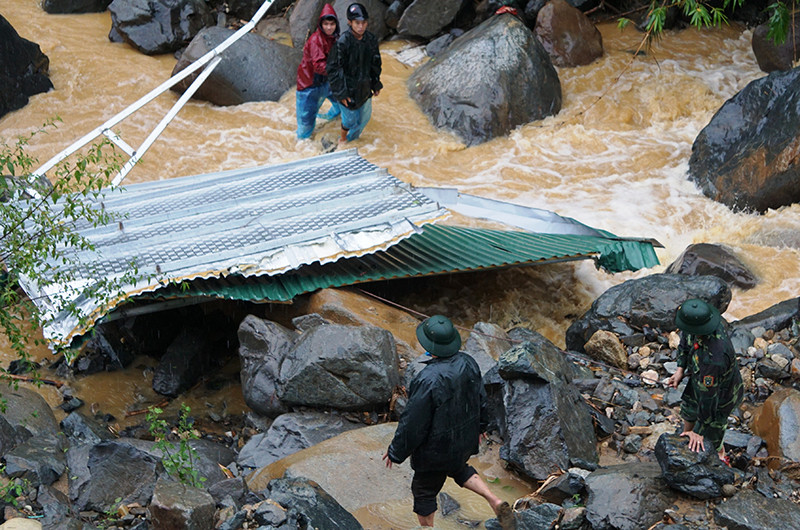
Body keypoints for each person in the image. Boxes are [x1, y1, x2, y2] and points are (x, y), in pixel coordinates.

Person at [382, 315, 515, 529]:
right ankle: (494, 499)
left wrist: (396, 451)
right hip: (463, 441)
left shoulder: (428, 378)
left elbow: (413, 422)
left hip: (435, 451)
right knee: (459, 468)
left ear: (428, 346)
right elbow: (481, 398)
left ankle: (428, 528)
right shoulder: (469, 362)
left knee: (424, 492)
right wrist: (481, 427)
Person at [667, 298, 744, 463]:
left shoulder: (715, 357)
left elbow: (709, 400)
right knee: (689, 411)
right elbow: (685, 344)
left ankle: (721, 457)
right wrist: (680, 369)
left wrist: (700, 432)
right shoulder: (697, 324)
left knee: (712, 437)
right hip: (698, 380)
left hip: (721, 396)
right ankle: (685, 437)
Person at [326, 2, 382, 144]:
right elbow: (333, 70)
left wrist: (376, 83)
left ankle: (354, 139)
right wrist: (341, 94)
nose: (361, 26)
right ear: (350, 23)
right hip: (348, 88)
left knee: (365, 117)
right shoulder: (342, 43)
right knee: (349, 119)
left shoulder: (371, 40)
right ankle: (343, 139)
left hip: (364, 86)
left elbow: (375, 63)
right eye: (357, 23)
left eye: (363, 23)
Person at [295, 4, 341, 140]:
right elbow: (318, 65)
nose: (329, 27)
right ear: (321, 25)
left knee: (341, 105)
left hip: (326, 82)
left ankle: (329, 120)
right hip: (309, 85)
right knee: (305, 127)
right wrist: (338, 71)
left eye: (332, 24)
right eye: (326, 24)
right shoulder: (316, 40)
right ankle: (302, 148)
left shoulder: (334, 39)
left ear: (336, 25)